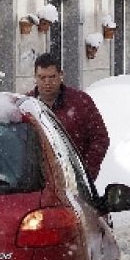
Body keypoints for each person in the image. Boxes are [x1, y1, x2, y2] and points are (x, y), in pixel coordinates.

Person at [29, 52, 110, 182]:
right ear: (35, 77)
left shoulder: (80, 102)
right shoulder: (27, 105)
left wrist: (85, 173)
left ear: (61, 75)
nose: (47, 83)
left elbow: (100, 138)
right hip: (35, 182)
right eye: (42, 77)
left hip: (74, 180)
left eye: (52, 77)